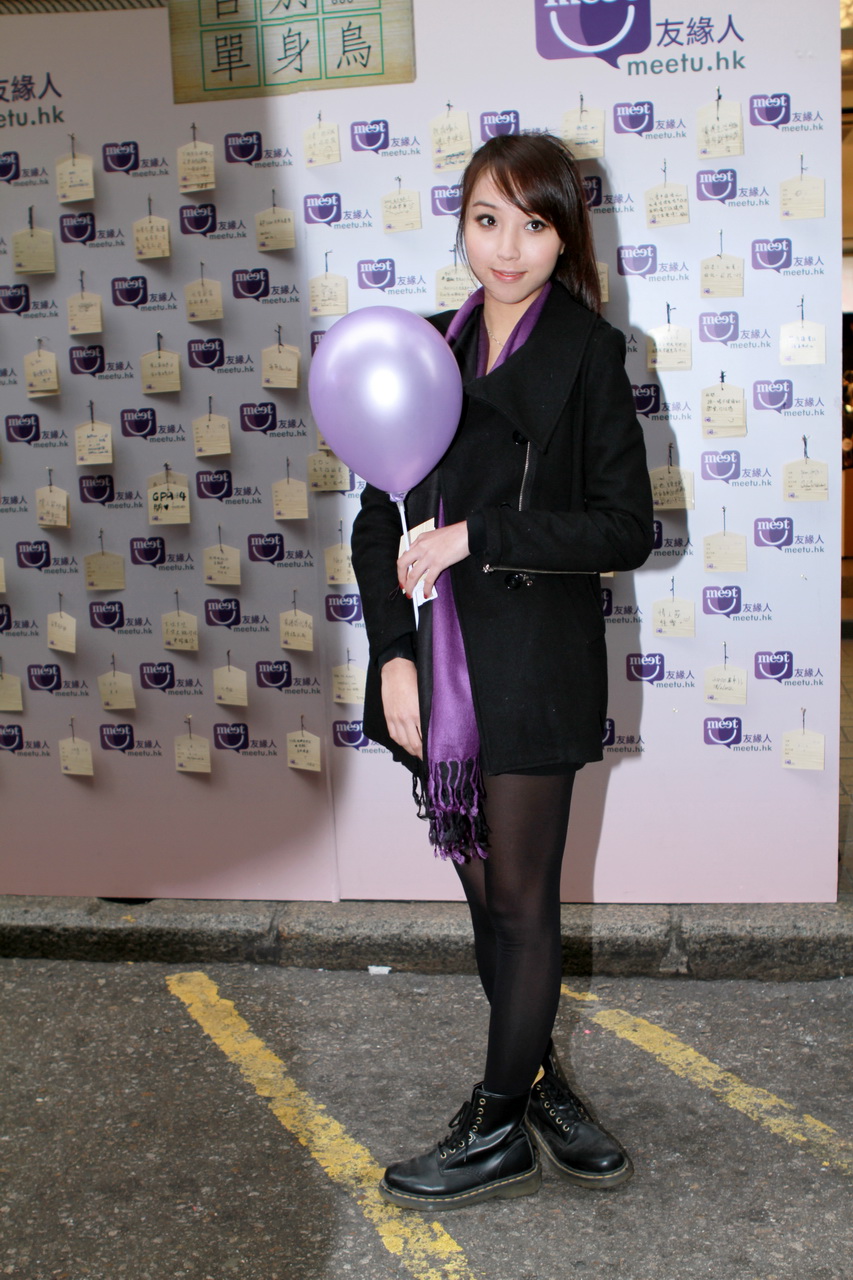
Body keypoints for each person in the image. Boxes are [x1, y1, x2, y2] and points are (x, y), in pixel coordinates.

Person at [351, 132, 654, 1211]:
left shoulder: (589, 351)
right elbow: (376, 520)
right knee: (490, 907)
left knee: (521, 906)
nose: (509, 247)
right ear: (462, 226)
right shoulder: (425, 348)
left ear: (565, 236)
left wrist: (482, 532)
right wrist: (392, 655)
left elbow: (624, 526)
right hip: (438, 676)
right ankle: (540, 1085)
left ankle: (491, 1127)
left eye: (534, 224)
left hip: (530, 670)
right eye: (488, 220)